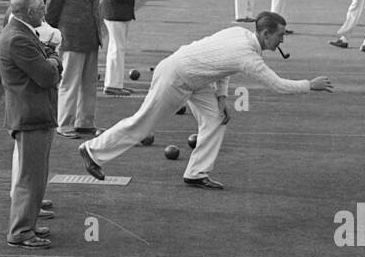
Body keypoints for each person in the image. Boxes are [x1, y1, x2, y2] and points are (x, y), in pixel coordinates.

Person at [78, 11, 334, 190]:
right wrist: (310, 85)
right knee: (142, 124)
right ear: (266, 34)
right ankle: (92, 150)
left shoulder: (239, 34)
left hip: (196, 78)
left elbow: (223, 66)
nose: (282, 41)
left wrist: (222, 97)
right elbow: (278, 85)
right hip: (176, 77)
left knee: (216, 118)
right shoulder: (249, 56)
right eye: (280, 36)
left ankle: (197, 173)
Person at [0, 0, 62, 249]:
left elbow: (49, 65)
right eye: (41, 9)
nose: (45, 12)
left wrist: (52, 61)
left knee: (36, 176)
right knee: (30, 177)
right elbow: (47, 75)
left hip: (35, 113)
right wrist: (55, 59)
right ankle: (21, 231)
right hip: (30, 114)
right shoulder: (18, 39)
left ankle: (28, 225)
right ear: (30, 13)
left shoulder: (22, 33)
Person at [46, 0, 102, 139]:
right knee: (69, 83)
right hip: (71, 40)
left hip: (90, 39)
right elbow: (50, 13)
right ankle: (65, 124)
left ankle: (85, 122)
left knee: (89, 83)